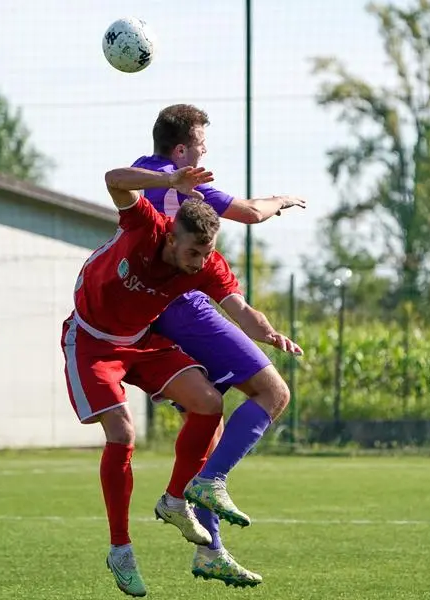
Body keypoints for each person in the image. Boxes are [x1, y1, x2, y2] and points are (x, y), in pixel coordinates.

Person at [61, 164, 301, 597]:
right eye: (193, 253)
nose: (200, 263)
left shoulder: (204, 264)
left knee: (209, 404)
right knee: (122, 432)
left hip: (142, 342)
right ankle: (121, 549)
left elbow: (241, 311)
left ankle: (174, 500)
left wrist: (266, 331)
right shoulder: (145, 226)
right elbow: (113, 180)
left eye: (206, 254)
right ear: (171, 238)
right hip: (92, 342)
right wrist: (169, 183)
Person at [131, 104, 305, 586]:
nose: (207, 150)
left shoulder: (146, 176)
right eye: (202, 142)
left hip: (151, 314)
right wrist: (283, 198)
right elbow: (250, 212)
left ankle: (210, 549)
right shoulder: (180, 184)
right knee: (274, 394)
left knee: (210, 417)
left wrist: (265, 330)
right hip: (181, 308)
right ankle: (207, 483)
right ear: (183, 148)